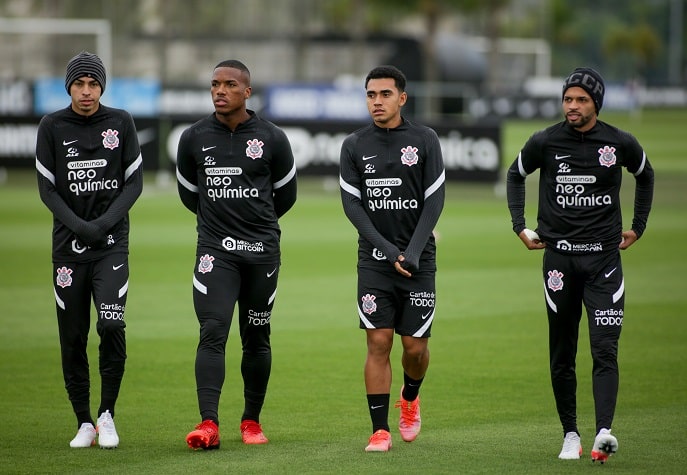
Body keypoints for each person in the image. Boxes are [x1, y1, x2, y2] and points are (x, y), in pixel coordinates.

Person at [506, 67, 654, 463]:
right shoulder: (546, 141)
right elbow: (515, 174)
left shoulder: (619, 142)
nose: (572, 106)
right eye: (568, 99)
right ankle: (570, 433)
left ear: (596, 104)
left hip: (604, 262)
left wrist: (638, 227)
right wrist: (520, 226)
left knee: (605, 350)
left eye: (581, 100)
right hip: (559, 263)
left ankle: (603, 432)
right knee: (562, 352)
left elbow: (646, 174)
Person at [176, 59, 297, 450]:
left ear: (247, 91)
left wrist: (255, 226)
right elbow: (189, 195)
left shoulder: (273, 138)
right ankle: (208, 423)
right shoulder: (193, 138)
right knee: (212, 331)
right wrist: (221, 227)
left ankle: (251, 420)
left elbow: (286, 195)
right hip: (216, 253)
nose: (220, 90)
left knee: (256, 336)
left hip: (262, 253)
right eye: (214, 84)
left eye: (230, 84)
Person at [35, 51, 143, 449]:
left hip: (111, 246)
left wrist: (101, 225)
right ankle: (83, 421)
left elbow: (133, 184)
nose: (86, 91)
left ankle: (107, 413)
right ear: (69, 87)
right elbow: (47, 188)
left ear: (102, 87)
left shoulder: (120, 122)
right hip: (68, 249)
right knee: (73, 336)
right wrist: (81, 226)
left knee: (112, 325)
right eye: (79, 84)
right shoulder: (51, 126)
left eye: (93, 84)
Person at [339, 65, 445, 452]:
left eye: (384, 94)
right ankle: (379, 430)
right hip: (374, 261)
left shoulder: (425, 139)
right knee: (378, 341)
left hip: (419, 260)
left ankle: (411, 397)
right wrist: (387, 251)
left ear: (402, 97)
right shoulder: (354, 144)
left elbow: (434, 200)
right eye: (371, 95)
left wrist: (413, 253)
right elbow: (352, 206)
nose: (377, 101)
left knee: (414, 348)